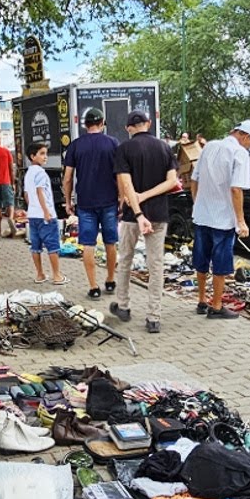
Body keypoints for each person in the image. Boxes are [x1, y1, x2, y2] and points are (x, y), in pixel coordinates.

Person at [110, 111, 178, 334]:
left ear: (129, 128)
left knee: (126, 259)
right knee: (156, 265)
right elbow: (172, 182)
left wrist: (139, 210)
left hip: (132, 216)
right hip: (159, 215)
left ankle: (123, 305)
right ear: (148, 124)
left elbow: (127, 185)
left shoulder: (124, 149)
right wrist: (148, 196)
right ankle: (154, 317)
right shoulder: (164, 147)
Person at [191, 120, 250, 319]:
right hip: (223, 220)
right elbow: (236, 189)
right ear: (245, 136)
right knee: (220, 263)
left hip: (202, 216)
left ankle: (201, 301)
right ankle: (216, 306)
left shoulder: (209, 146)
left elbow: (194, 179)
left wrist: (197, 203)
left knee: (201, 260)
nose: (249, 147)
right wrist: (241, 221)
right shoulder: (239, 154)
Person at [62, 107, 120, 299]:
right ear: (102, 123)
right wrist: (121, 198)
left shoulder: (75, 146)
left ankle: (93, 286)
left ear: (84, 124)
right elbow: (120, 174)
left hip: (85, 202)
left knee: (88, 244)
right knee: (111, 242)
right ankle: (110, 280)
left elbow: (68, 177)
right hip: (110, 200)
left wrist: (68, 201)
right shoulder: (112, 143)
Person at [23, 143, 66, 285]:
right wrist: (46, 212)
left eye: (45, 153)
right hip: (45, 215)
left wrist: (32, 208)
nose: (45, 157)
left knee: (35, 247)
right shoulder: (40, 173)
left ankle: (40, 274)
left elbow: (27, 194)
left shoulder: (28, 173)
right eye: (41, 154)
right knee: (52, 246)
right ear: (32, 156)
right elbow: (40, 192)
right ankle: (57, 275)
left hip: (33, 215)